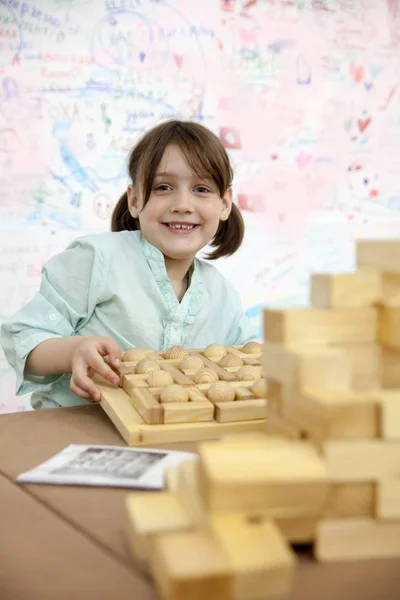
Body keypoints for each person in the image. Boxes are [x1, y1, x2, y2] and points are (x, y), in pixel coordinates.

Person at [1, 120, 258, 410]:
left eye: (201, 189)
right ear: (135, 200)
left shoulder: (222, 295)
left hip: (168, 438)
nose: (183, 204)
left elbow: (253, 358)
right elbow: (23, 337)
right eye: (163, 187)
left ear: (224, 204)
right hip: (77, 430)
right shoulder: (95, 258)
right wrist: (73, 350)